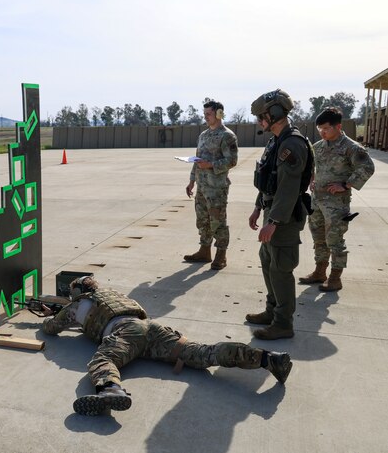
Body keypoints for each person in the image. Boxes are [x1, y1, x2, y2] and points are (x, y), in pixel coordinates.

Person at [41, 276, 292, 416]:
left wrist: (50, 314)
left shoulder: (77, 305)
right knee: (201, 353)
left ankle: (110, 390)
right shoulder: (115, 295)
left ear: (78, 293)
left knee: (103, 361)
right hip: (150, 328)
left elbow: (52, 329)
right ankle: (267, 358)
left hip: (123, 332)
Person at [246, 89, 313, 340]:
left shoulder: (292, 143)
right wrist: (257, 207)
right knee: (267, 262)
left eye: (261, 116)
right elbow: (269, 181)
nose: (258, 121)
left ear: (273, 114)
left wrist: (273, 222)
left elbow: (288, 188)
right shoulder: (276, 140)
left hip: (284, 218)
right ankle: (272, 311)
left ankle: (283, 323)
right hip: (272, 212)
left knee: (281, 269)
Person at [298, 107, 374, 291]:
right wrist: (312, 179)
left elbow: (367, 168)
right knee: (318, 238)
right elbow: (312, 166)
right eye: (319, 129)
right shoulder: (318, 147)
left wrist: (346, 185)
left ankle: (335, 277)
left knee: (335, 240)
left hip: (336, 204)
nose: (322, 132)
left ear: (338, 126)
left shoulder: (351, 148)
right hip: (317, 202)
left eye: (326, 128)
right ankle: (319, 272)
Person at [184, 101, 239, 270]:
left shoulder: (227, 136)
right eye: (205, 113)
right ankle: (204, 250)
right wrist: (192, 180)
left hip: (216, 188)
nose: (205, 117)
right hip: (201, 186)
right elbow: (197, 159)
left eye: (208, 114)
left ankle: (221, 255)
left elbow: (232, 160)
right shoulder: (203, 135)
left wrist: (210, 164)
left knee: (217, 221)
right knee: (202, 221)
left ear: (218, 114)